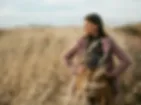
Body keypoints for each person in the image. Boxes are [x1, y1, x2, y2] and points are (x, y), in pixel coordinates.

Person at [63, 13, 132, 104]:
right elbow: (66, 57)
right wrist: (76, 69)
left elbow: (126, 61)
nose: (84, 27)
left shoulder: (108, 41)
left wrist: (112, 74)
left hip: (103, 83)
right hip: (84, 80)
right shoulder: (82, 41)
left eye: (87, 25)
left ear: (96, 26)